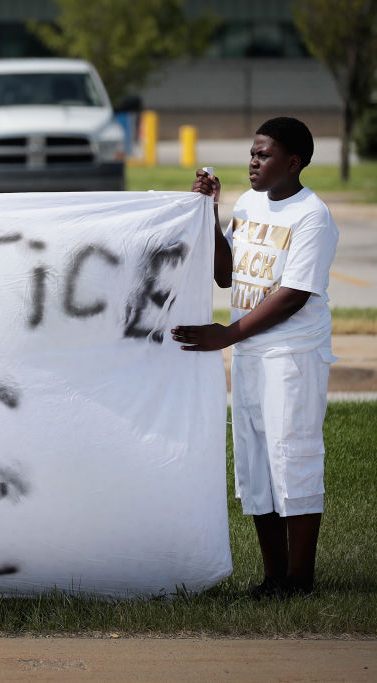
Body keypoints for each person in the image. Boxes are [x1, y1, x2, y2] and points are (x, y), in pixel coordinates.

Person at [171, 117, 338, 598]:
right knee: (256, 462)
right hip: (249, 350)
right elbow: (227, 276)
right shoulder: (247, 204)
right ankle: (273, 577)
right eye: (251, 154)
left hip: (292, 354)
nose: (252, 162)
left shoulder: (312, 216)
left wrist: (223, 336)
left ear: (293, 162)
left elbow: (293, 296)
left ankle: (300, 580)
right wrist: (210, 210)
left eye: (263, 156)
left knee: (293, 456)